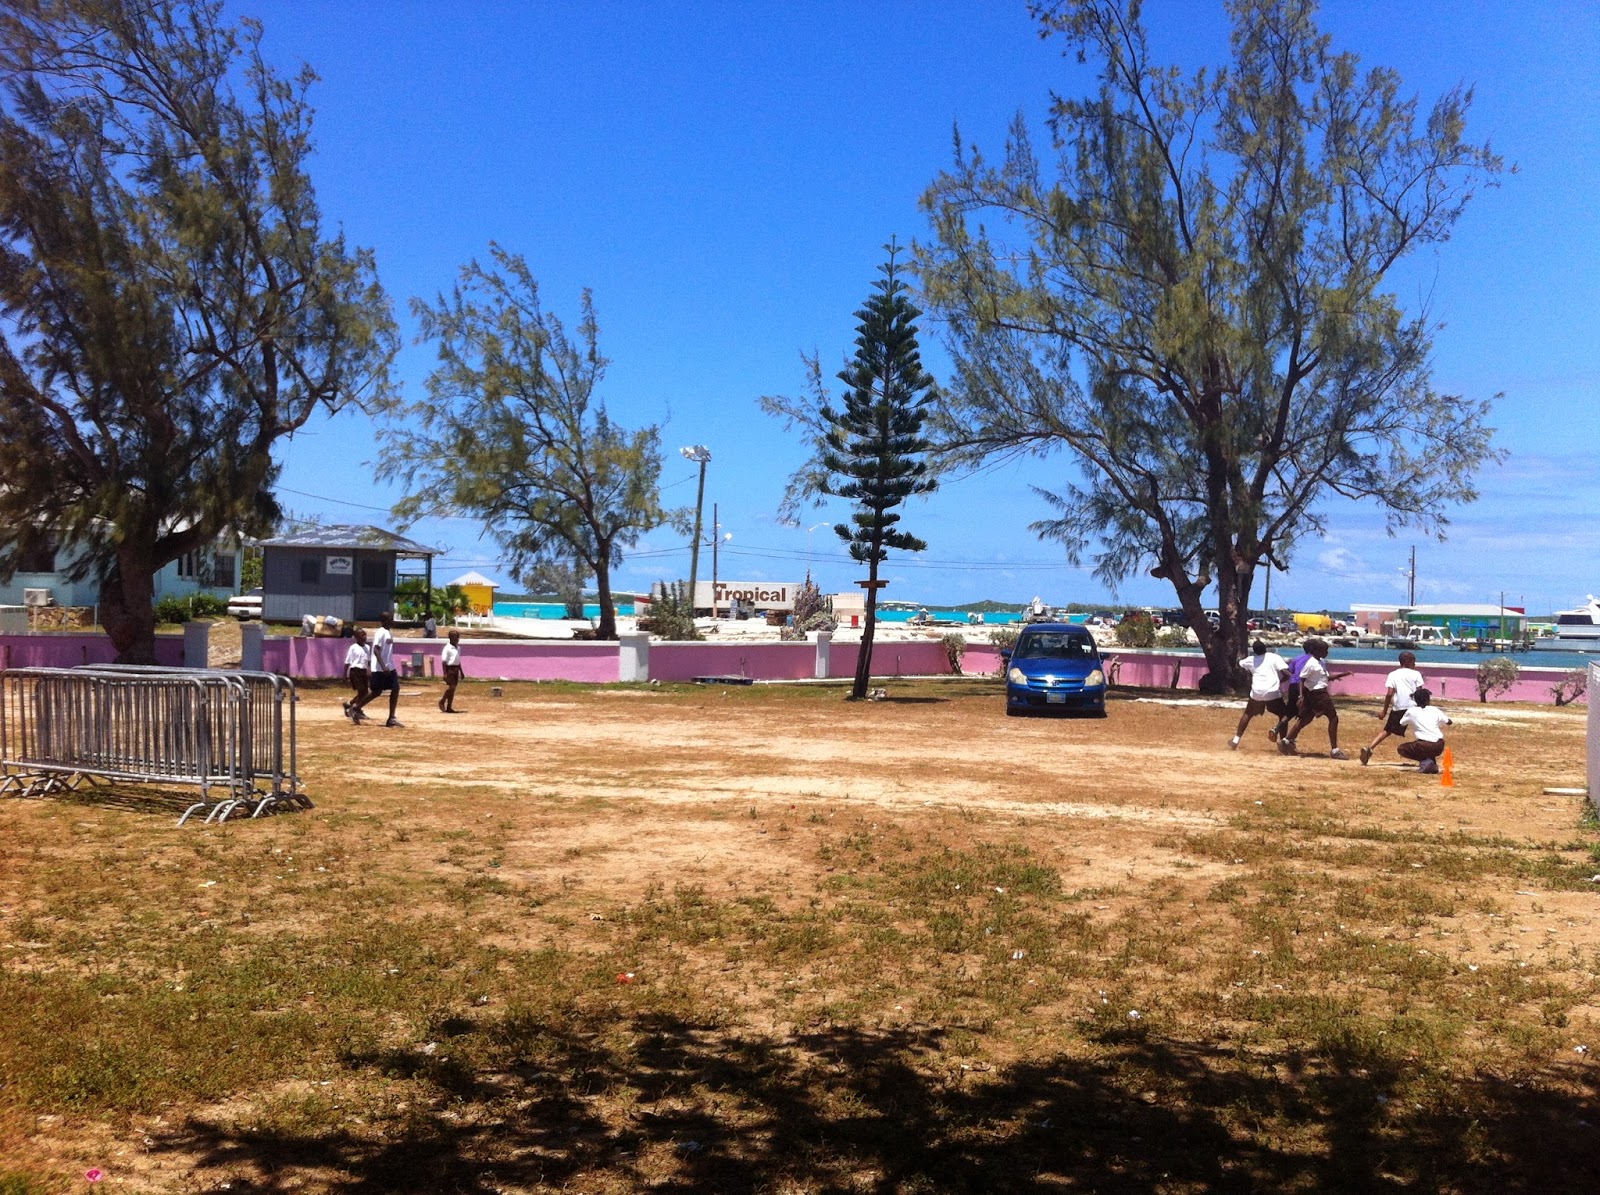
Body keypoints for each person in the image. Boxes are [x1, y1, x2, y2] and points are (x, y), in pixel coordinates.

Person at [1279, 639, 1354, 759]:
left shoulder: (1318, 663)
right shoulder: (1311, 664)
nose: (1327, 653)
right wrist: (1301, 696)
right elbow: (1302, 680)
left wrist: (1343, 674)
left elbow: (1325, 678)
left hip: (1312, 694)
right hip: (1318, 694)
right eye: (1325, 650)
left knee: (1306, 718)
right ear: (1317, 651)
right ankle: (1335, 750)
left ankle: (1286, 741)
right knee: (1333, 717)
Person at [1360, 650, 1426, 765]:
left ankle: (1370, 748)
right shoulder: (1416, 674)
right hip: (1414, 706)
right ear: (1408, 661)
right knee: (1422, 729)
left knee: (1387, 730)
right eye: (1413, 661)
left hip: (1399, 706)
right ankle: (1426, 755)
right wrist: (1423, 707)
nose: (1415, 664)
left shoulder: (1392, 674)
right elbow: (1420, 692)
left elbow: (1389, 693)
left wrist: (1384, 711)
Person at [1230, 640, 1290, 749]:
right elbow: (1285, 673)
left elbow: (1239, 663)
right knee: (1283, 715)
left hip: (1257, 691)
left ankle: (1235, 740)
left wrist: (1239, 660)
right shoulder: (1274, 657)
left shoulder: (1250, 660)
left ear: (1254, 651)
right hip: (1272, 691)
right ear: (1265, 648)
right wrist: (1282, 681)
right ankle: (1281, 741)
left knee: (1248, 714)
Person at [353, 609, 401, 727]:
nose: (392, 621)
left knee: (395, 688)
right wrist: (383, 666)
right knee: (376, 692)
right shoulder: (380, 633)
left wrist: (388, 665)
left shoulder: (389, 632)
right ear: (384, 621)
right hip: (380, 668)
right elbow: (376, 650)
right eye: (390, 619)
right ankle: (356, 708)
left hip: (390, 666)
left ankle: (391, 718)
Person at [1397, 688, 1452, 774]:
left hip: (1423, 745)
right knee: (1428, 750)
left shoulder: (1411, 711)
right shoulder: (1434, 710)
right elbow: (1449, 722)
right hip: (1439, 745)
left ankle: (1425, 761)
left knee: (1402, 749)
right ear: (1428, 699)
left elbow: (1401, 723)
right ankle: (1431, 764)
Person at [1271, 643, 1317, 743]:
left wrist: (1280, 682)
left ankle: (1276, 728)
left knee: (1290, 710)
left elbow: (1290, 673)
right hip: (1304, 686)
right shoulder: (1315, 660)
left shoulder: (1296, 659)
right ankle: (1290, 739)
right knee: (1306, 713)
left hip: (1293, 686)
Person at [342, 627, 371, 723]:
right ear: (356, 637)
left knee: (365, 693)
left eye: (365, 635)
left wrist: (370, 671)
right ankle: (356, 710)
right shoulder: (353, 647)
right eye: (362, 635)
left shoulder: (367, 647)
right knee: (362, 692)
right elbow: (347, 661)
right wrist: (344, 674)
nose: (364, 637)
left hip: (363, 671)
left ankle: (349, 704)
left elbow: (368, 661)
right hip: (355, 671)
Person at [439, 629, 464, 713]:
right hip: (450, 669)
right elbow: (444, 661)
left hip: (456, 668)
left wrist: (461, 671)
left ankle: (449, 707)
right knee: (451, 687)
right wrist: (445, 673)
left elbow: (458, 661)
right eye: (455, 638)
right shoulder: (447, 648)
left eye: (458, 638)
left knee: (453, 689)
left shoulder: (458, 648)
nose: (457, 639)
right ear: (451, 638)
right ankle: (442, 701)